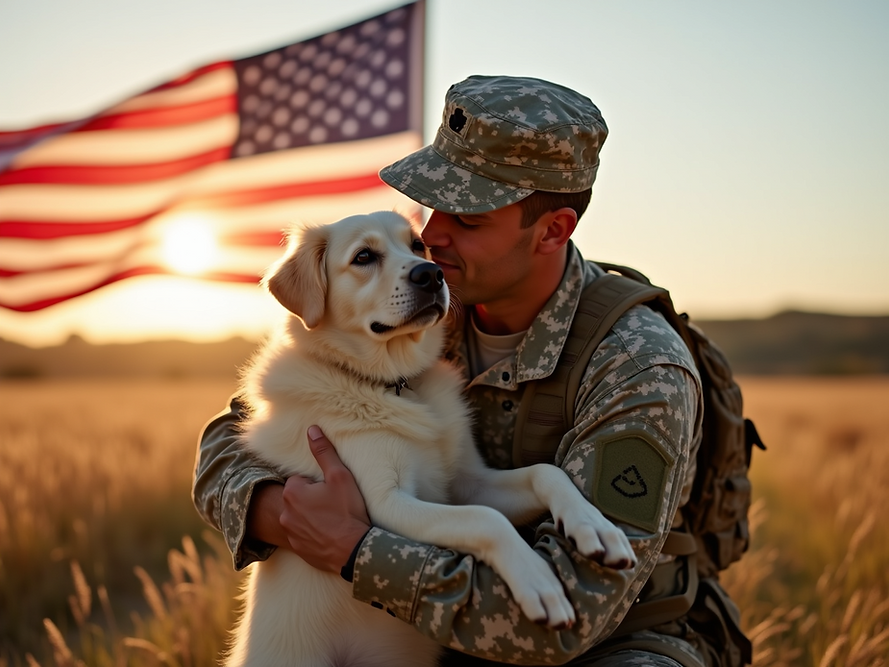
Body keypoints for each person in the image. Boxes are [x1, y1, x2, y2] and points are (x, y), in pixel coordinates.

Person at [194, 75, 747, 666]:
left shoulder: (637, 365)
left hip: (601, 640)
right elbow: (228, 446)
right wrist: (284, 512)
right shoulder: (418, 314)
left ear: (553, 230)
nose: (433, 240)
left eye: (471, 217)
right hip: (432, 622)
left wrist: (352, 548)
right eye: (433, 207)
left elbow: (565, 624)